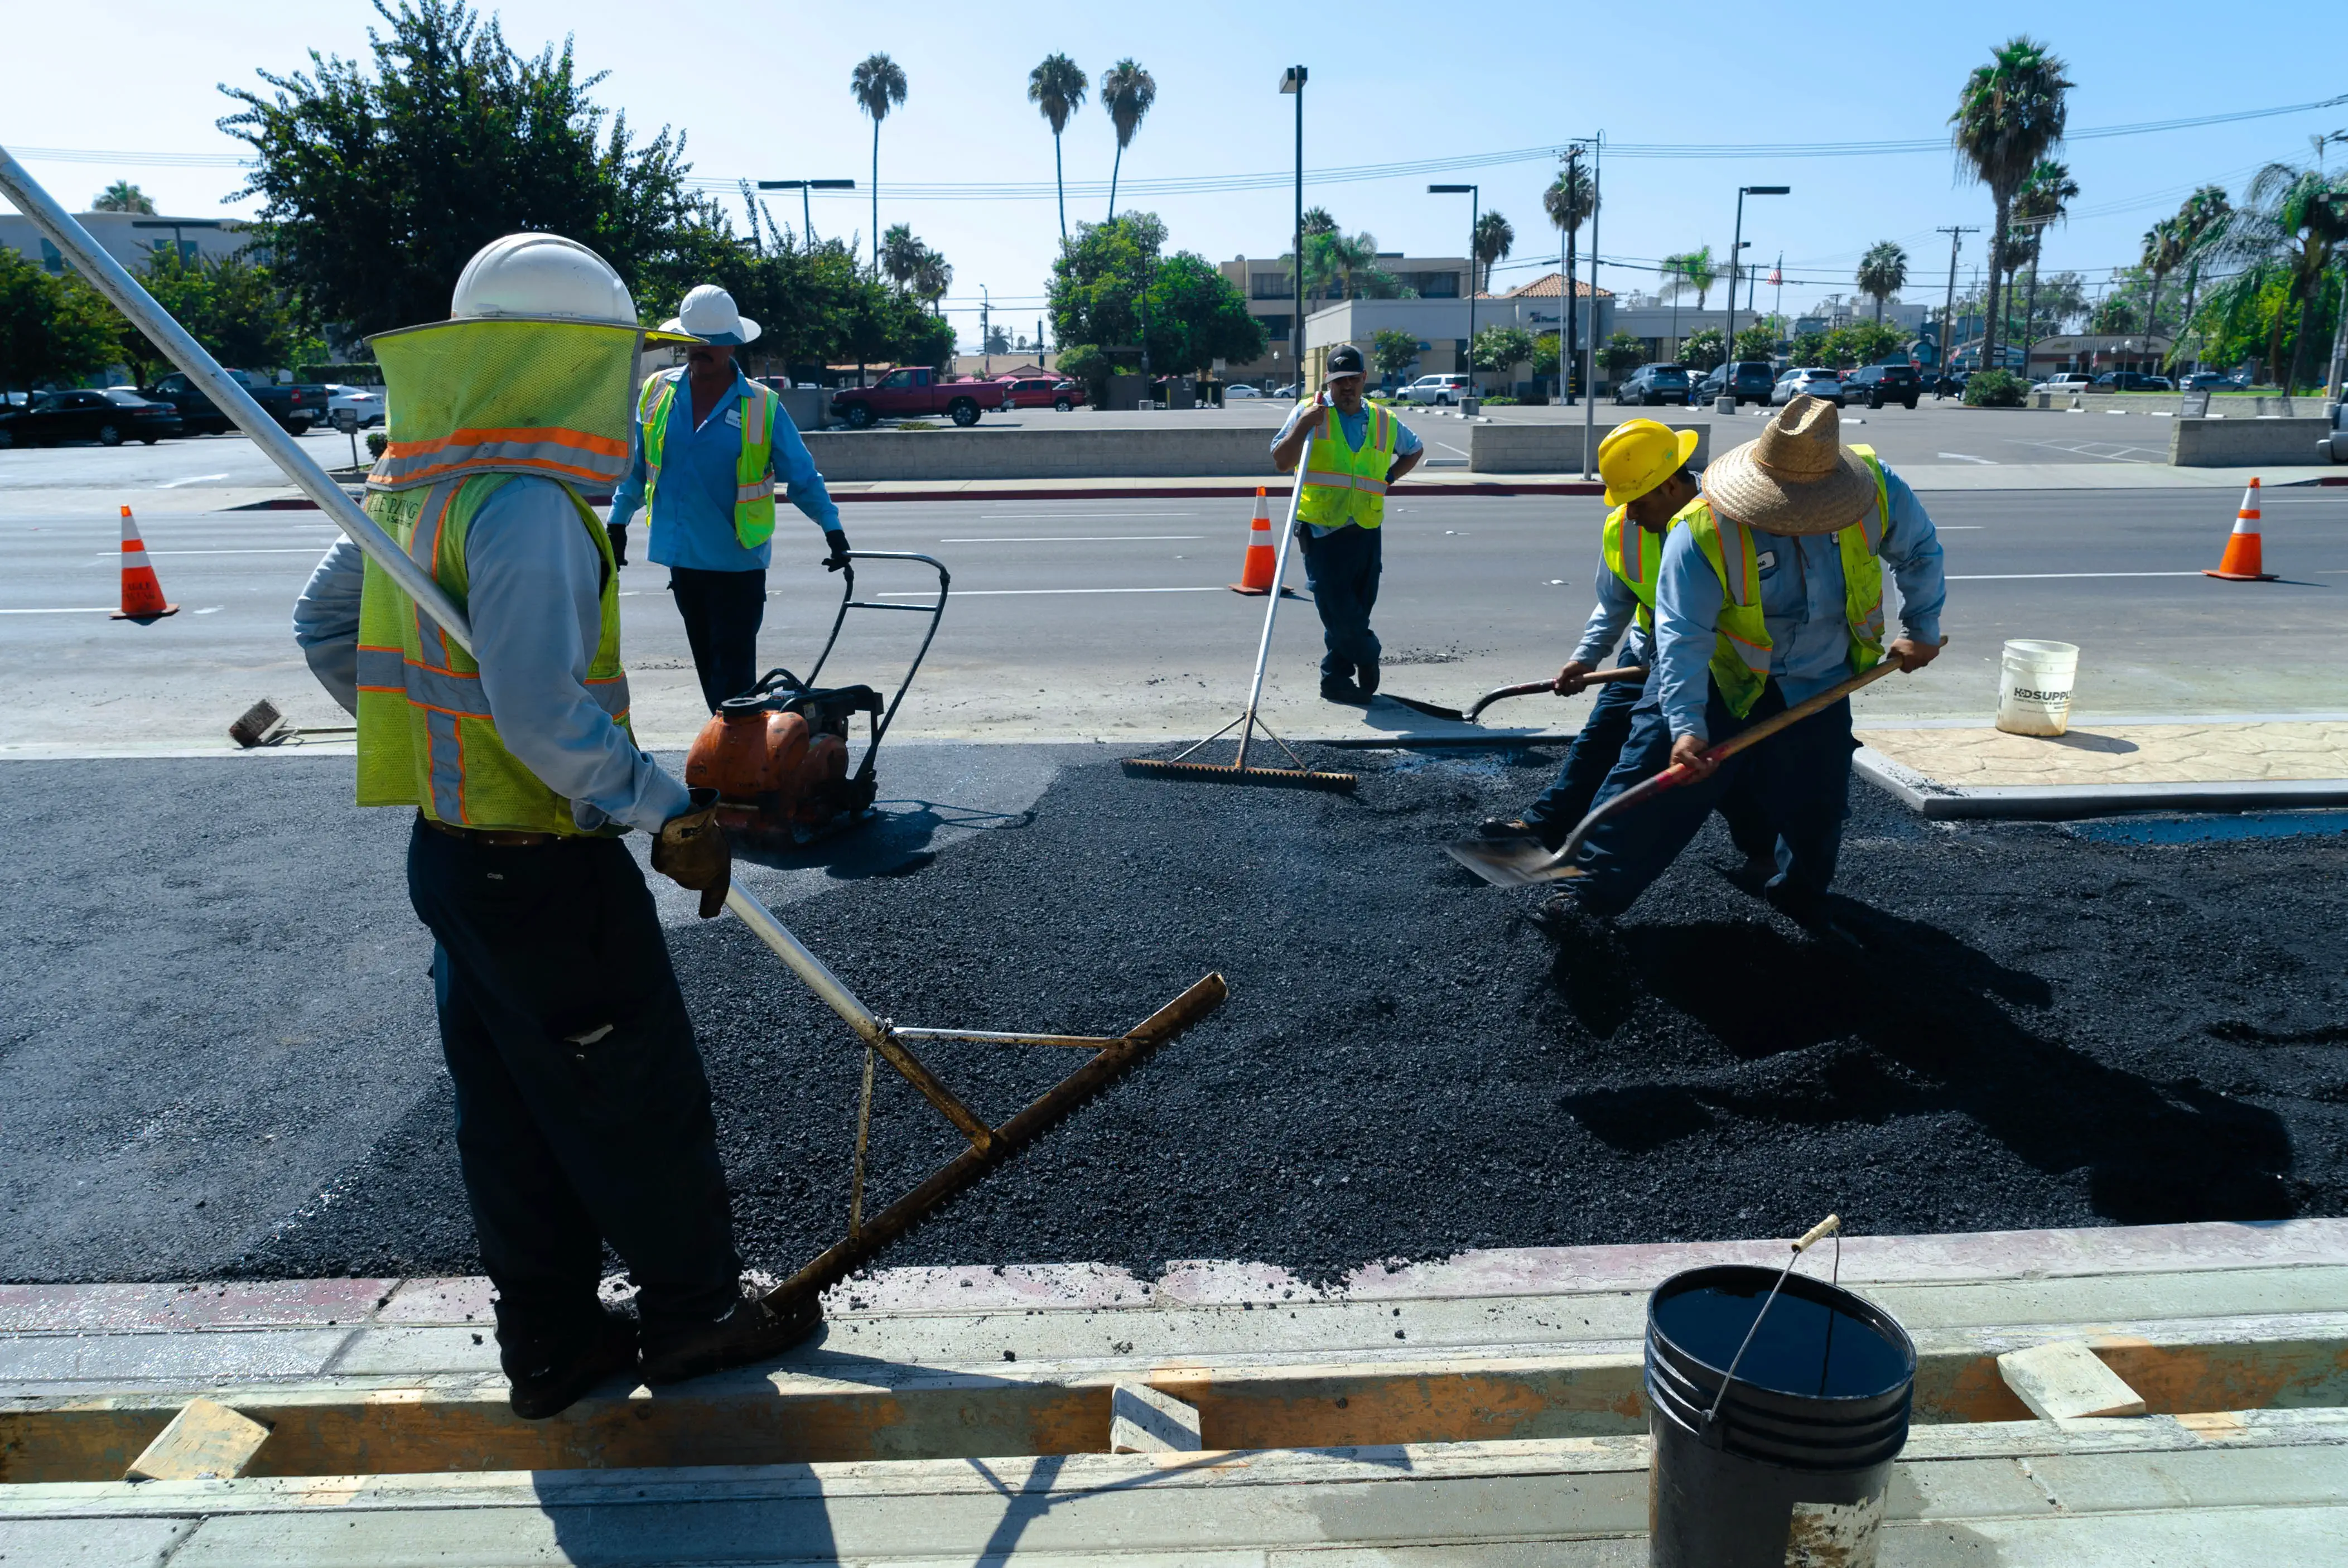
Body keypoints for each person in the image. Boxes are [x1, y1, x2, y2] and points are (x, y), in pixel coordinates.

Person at [293, 234, 818, 1421]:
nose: (623, 379)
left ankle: (553, 1344)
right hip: (543, 870)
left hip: (452, 860)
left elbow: (322, 629)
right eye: (611, 356)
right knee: (633, 1091)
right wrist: (665, 807)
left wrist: (443, 735)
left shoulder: (410, 484)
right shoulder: (525, 505)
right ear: (555, 360)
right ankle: (694, 1315)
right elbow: (537, 713)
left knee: (513, 1113)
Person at [1538, 395, 1946, 938]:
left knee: (1817, 803)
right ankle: (1585, 895)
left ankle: (1800, 897)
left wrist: (1920, 628)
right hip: (1722, 672)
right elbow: (1682, 634)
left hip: (1820, 677)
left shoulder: (1876, 487)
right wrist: (1687, 726)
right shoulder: (1703, 527)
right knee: (1653, 773)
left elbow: (1919, 552)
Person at [608, 284, 848, 713]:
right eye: (693, 342)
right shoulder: (658, 391)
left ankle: (739, 751)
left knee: (733, 681)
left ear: (733, 344)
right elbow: (640, 467)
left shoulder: (761, 405)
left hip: (737, 564)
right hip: (684, 561)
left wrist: (833, 531)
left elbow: (803, 478)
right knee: (710, 675)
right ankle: (730, 748)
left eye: (712, 343)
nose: (700, 351)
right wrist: (617, 522)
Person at [1268, 342, 1425, 702]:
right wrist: (1303, 426)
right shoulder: (1309, 411)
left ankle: (1336, 680)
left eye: (1353, 378)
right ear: (1328, 381)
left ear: (1364, 378)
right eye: (1339, 380)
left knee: (1357, 610)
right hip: (1322, 530)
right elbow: (1281, 461)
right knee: (1338, 610)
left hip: (1366, 528)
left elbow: (1415, 449)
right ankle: (1367, 655)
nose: (1347, 387)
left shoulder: (1384, 420)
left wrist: (1388, 479)